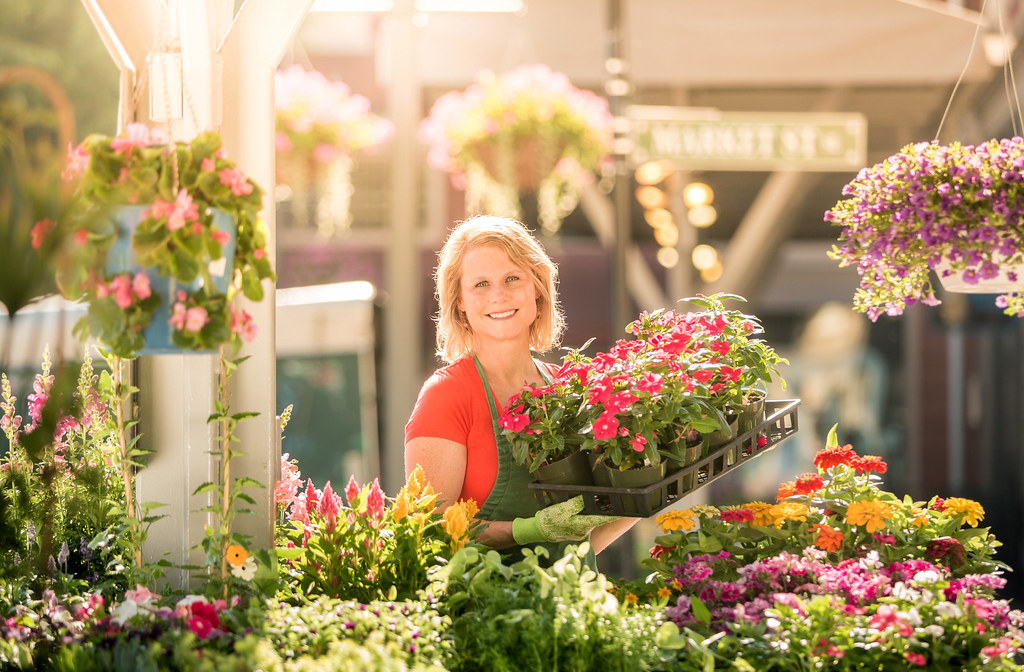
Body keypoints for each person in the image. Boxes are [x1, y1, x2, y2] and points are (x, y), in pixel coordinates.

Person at [404, 215, 637, 561]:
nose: (499, 294)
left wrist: (643, 497)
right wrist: (529, 530)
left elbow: (575, 544)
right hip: (482, 608)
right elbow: (429, 530)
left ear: (537, 289)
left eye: (512, 278)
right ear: (460, 303)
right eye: (480, 284)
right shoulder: (447, 394)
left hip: (568, 603)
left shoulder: (568, 390)